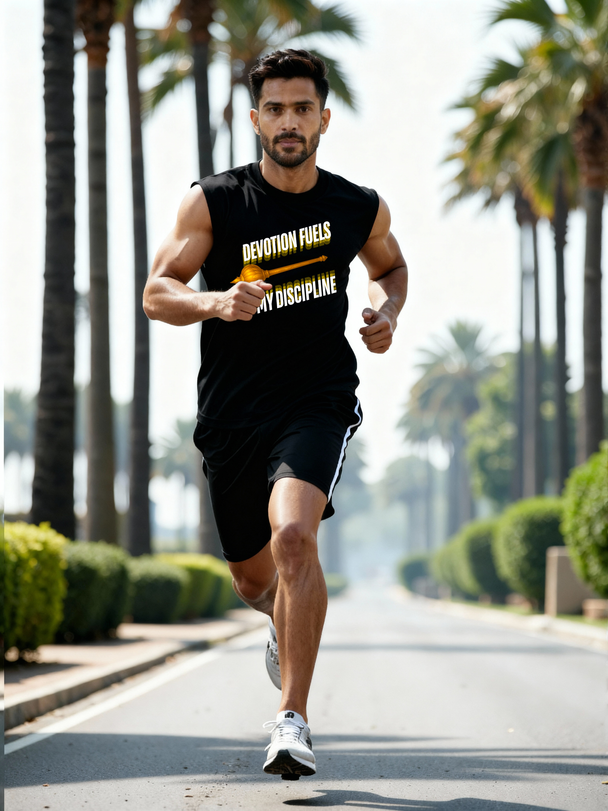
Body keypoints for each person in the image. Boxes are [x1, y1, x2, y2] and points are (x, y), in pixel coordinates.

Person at [143, 48, 408, 781]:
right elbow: (157, 291)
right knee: (255, 581)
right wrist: (214, 301)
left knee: (295, 536)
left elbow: (391, 265)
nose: (288, 121)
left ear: (324, 118)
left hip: (316, 401)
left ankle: (292, 719)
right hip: (232, 413)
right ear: (255, 117)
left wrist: (386, 310)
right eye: (275, 108)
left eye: (302, 108)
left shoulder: (357, 205)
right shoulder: (215, 202)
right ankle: (278, 620)